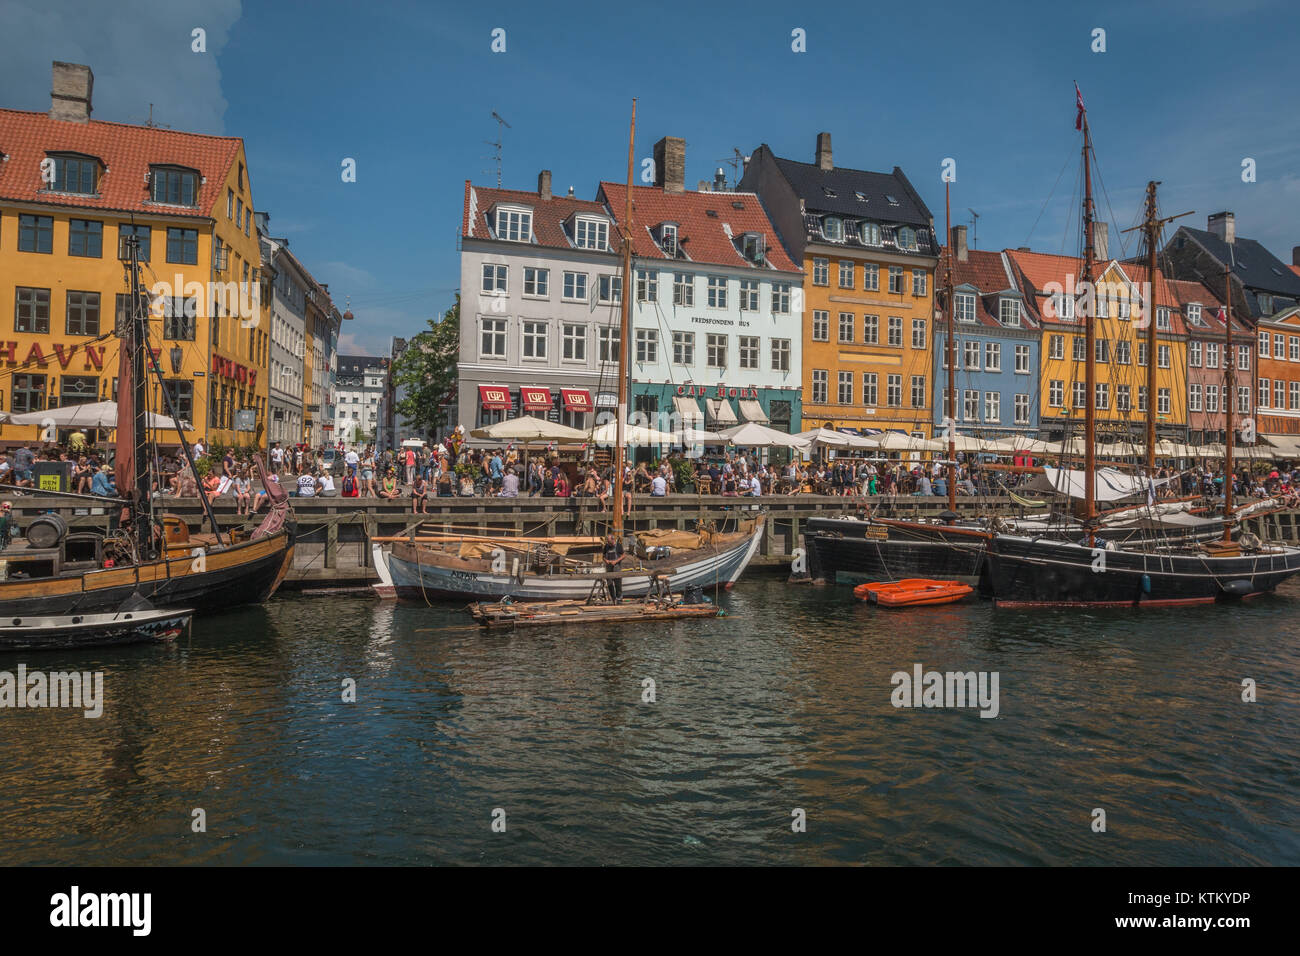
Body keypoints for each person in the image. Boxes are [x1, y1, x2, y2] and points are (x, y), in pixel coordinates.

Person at [603, 533, 625, 600]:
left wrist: (616, 561)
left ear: (613, 540)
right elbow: (603, 556)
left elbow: (623, 555)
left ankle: (619, 598)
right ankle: (613, 598)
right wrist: (606, 560)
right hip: (609, 568)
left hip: (616, 568)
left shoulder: (618, 545)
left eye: (610, 543)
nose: (609, 544)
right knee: (609, 584)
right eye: (608, 543)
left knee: (618, 584)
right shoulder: (606, 546)